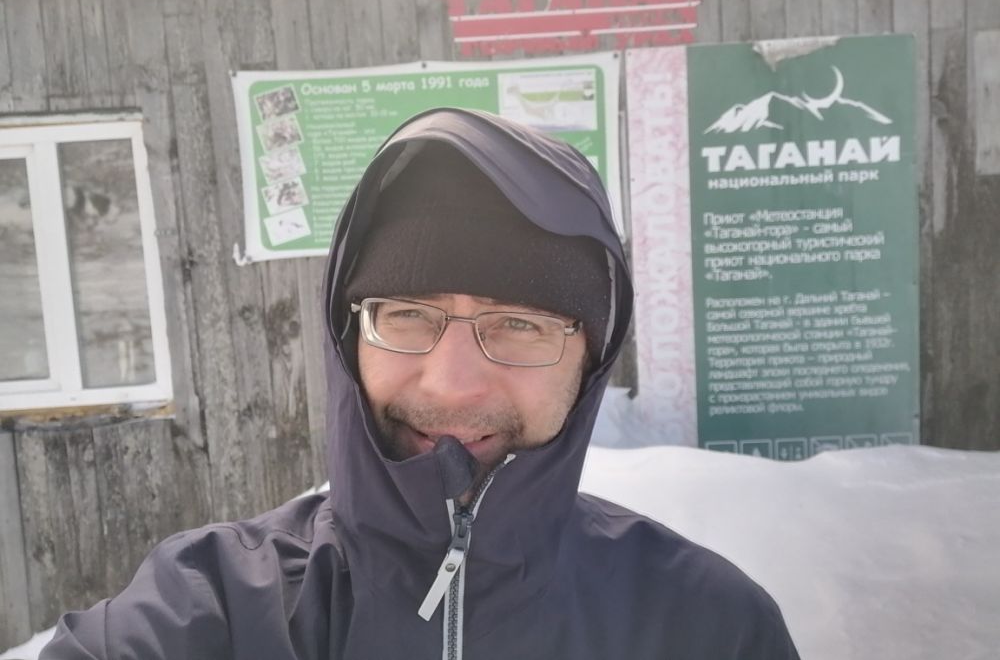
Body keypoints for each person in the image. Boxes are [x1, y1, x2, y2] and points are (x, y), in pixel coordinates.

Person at [42, 108, 800, 659]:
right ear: (350, 338)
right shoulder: (210, 606)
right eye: (407, 313)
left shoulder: (707, 628)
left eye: (521, 323)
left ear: (591, 359)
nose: (454, 382)